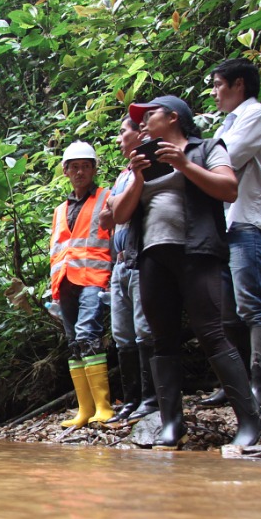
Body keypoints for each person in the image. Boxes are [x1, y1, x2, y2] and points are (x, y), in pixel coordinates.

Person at [111, 95, 261, 449]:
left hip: (196, 252)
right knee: (161, 339)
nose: (143, 122)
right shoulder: (143, 161)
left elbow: (228, 189)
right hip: (152, 258)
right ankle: (171, 423)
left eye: (149, 115)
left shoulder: (207, 148)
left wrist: (183, 164)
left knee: (211, 332)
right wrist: (137, 176)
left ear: (173, 117)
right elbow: (120, 216)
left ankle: (250, 417)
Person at [199, 59, 261, 407]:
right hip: (227, 222)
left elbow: (223, 161)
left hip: (249, 219)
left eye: (219, 85)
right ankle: (235, 385)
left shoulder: (257, 116)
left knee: (252, 302)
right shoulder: (230, 123)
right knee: (226, 311)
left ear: (239, 85)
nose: (215, 92)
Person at [49, 142, 114, 428]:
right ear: (65, 171)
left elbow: (114, 237)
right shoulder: (60, 209)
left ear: (94, 169)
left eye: (85, 166)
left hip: (93, 278)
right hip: (65, 281)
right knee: (74, 342)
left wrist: (112, 277)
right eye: (74, 166)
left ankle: (103, 406)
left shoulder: (106, 198)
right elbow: (57, 249)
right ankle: (84, 409)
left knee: (89, 334)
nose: (80, 171)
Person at [101, 119, 158, 425]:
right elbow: (106, 217)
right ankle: (132, 398)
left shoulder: (152, 165)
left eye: (124, 131)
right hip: (119, 263)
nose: (120, 137)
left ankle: (151, 397)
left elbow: (122, 210)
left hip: (140, 256)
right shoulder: (124, 174)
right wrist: (115, 204)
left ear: (140, 133)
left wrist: (116, 204)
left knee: (144, 330)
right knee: (123, 335)